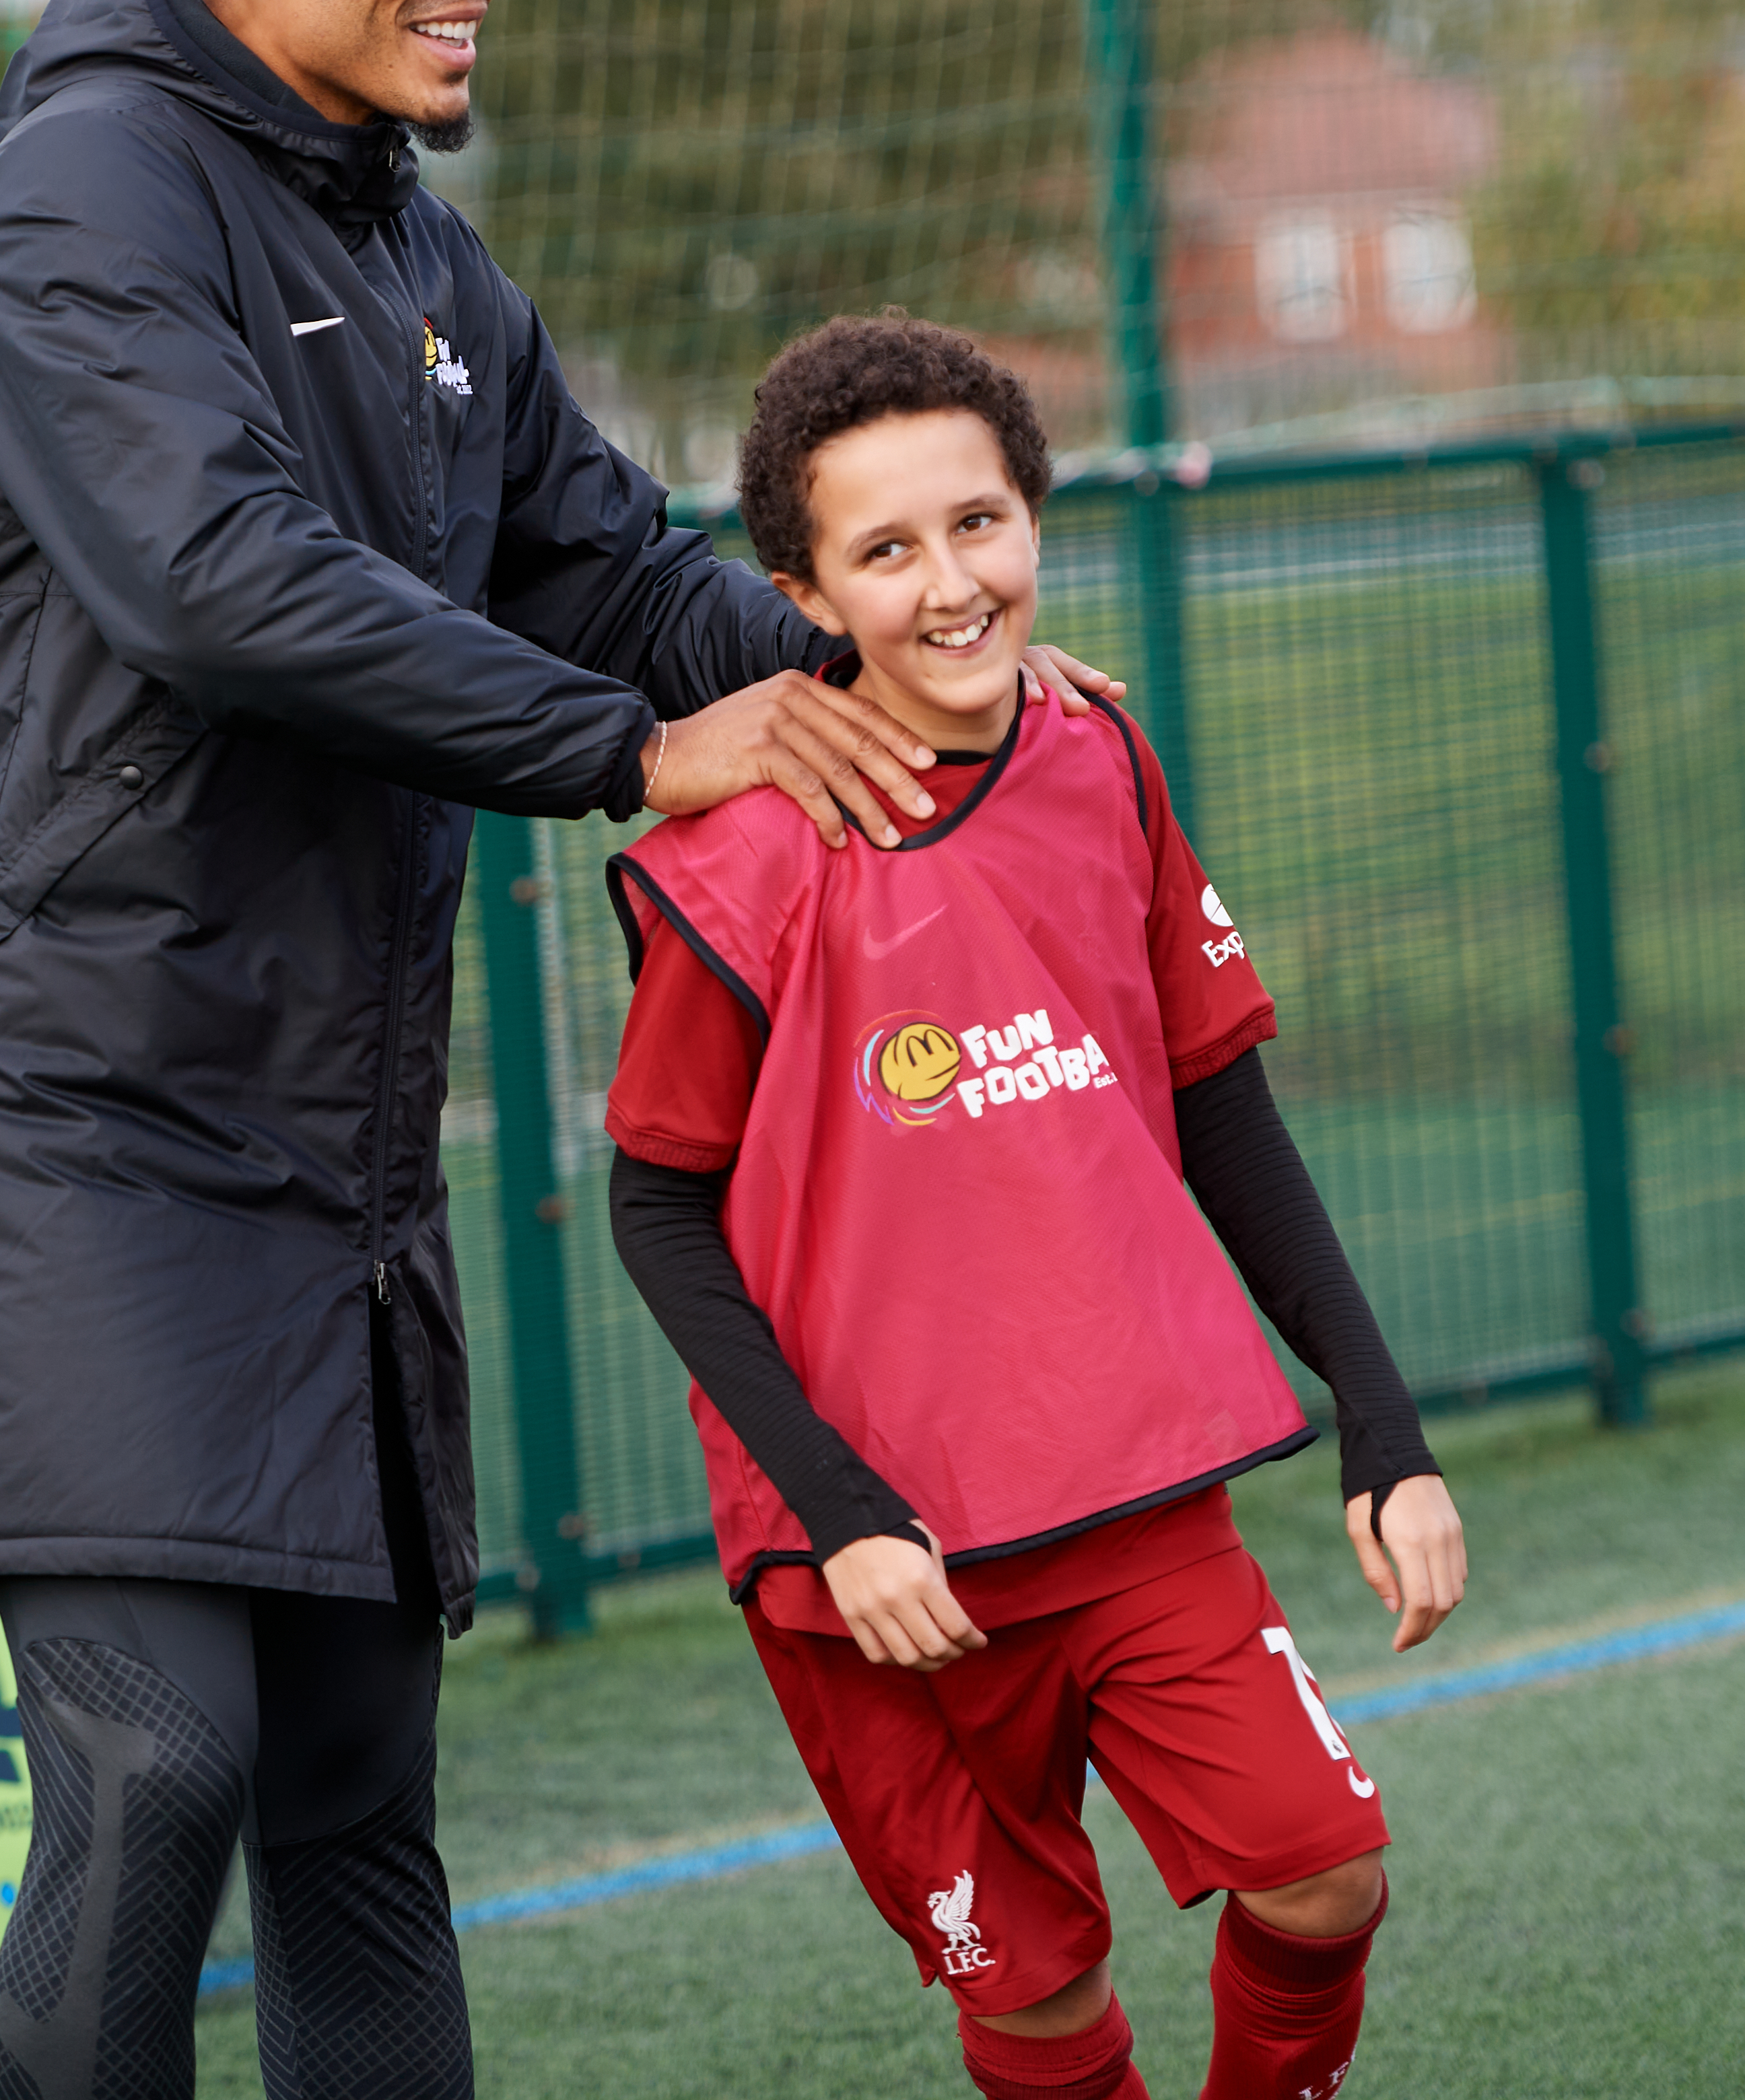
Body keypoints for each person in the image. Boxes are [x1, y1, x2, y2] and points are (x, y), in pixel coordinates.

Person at [0, 0, 1114, 2100]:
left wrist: (885, 668)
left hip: (315, 1131)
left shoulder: (418, 251)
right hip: (54, 1119)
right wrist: (630, 756)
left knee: (347, 1791)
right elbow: (215, 580)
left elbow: (610, 564)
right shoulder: (81, 200)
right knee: (161, 1766)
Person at [604, 317, 1469, 2100]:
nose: (950, 584)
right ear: (805, 591)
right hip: (874, 1573)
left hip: (1126, 1493)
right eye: (887, 550)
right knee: (1039, 2002)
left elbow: (1221, 1112)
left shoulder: (1103, 761)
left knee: (1321, 1873)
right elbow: (657, 1211)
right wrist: (839, 1510)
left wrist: (1378, 1424)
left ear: (1033, 521)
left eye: (979, 524)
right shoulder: (750, 853)